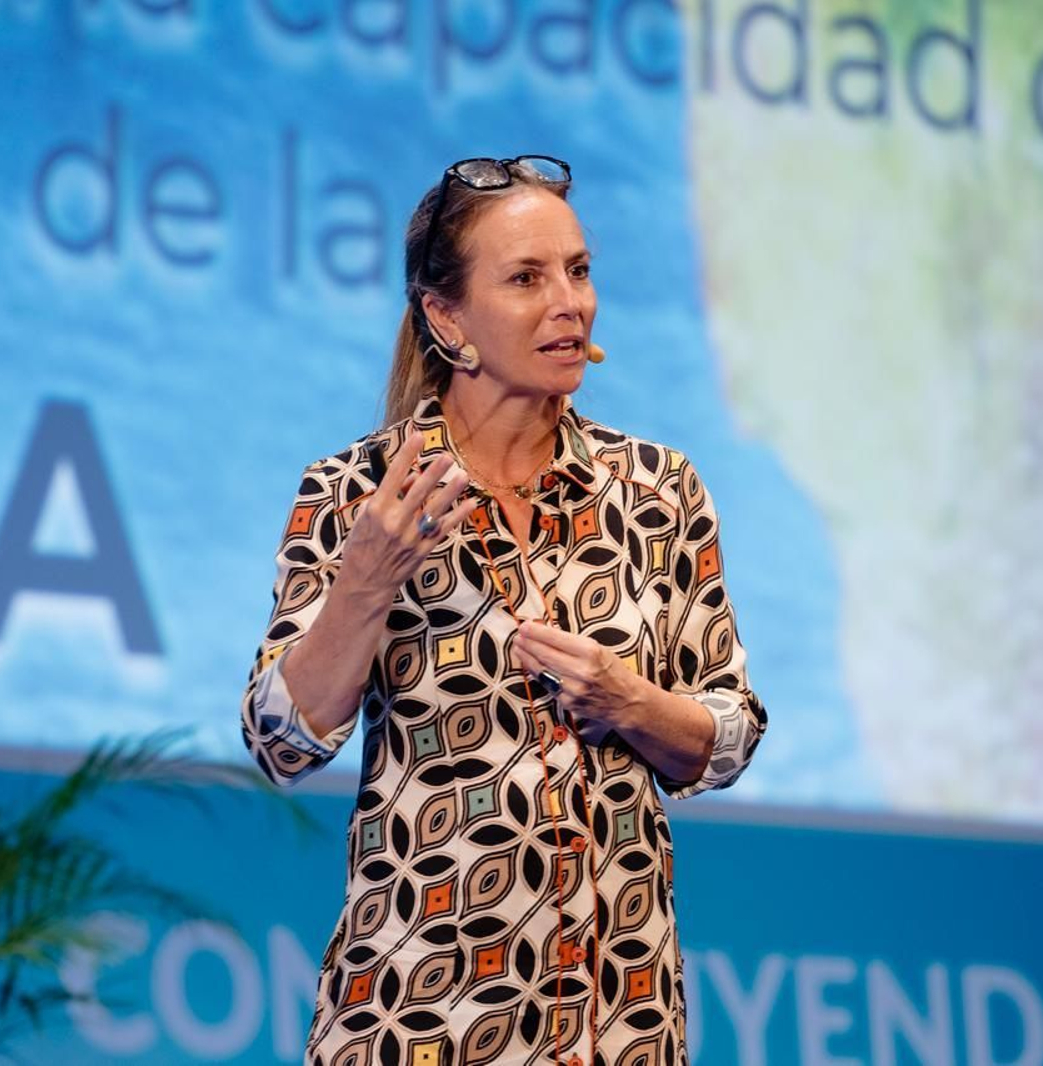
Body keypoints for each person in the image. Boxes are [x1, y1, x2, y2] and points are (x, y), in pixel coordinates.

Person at [240, 155, 767, 1066]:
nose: (570, 302)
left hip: (619, 1023)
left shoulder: (657, 492)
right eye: (527, 278)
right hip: (420, 1019)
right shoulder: (358, 493)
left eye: (579, 270)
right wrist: (366, 579)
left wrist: (629, 702)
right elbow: (281, 739)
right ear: (446, 317)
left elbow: (726, 736)